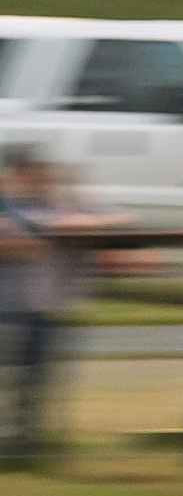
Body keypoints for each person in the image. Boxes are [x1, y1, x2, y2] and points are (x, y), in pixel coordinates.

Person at [0, 149, 114, 470]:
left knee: (34, 379)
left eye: (43, 177)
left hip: (35, 309)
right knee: (18, 377)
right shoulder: (15, 208)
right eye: (32, 176)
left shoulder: (50, 209)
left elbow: (107, 219)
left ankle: (24, 444)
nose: (40, 182)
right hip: (14, 309)